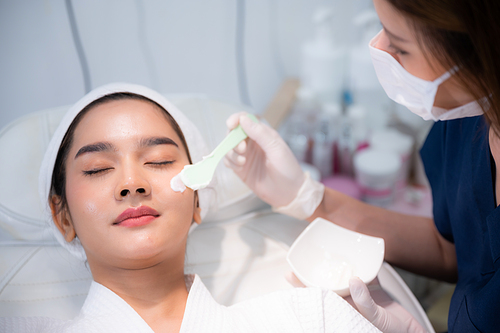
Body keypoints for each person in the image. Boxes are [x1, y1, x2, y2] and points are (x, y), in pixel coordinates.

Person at [0, 83, 380, 333]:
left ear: (198, 199)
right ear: (62, 216)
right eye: (98, 168)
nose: (133, 183)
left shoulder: (309, 318)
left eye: (160, 161)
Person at [225, 0, 500, 332]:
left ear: (482, 52)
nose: (378, 49)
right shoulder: (467, 114)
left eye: (399, 46)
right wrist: (307, 196)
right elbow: (455, 249)